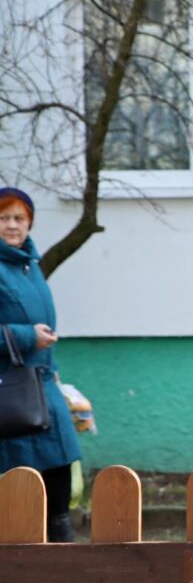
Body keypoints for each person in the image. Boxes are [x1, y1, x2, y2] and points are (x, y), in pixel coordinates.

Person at [0, 187, 82, 542]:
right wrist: (25, 337)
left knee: (60, 477)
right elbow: (29, 329)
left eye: (19, 218)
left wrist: (61, 383)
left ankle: (66, 569)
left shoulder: (30, 265)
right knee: (24, 489)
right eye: (3, 218)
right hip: (12, 392)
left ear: (30, 222)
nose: (12, 225)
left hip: (45, 387)